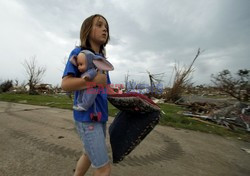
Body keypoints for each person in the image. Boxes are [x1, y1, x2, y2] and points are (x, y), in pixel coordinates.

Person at [61, 14, 115, 176]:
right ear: (87, 30)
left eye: (105, 26)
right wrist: (92, 81)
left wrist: (131, 98)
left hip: (101, 117)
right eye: (98, 25)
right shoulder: (79, 53)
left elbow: (108, 89)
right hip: (86, 118)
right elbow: (65, 84)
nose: (104, 28)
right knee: (103, 169)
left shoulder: (103, 61)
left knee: (88, 155)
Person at [69, 49, 114, 113]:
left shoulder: (92, 70)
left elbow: (106, 85)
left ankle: (84, 106)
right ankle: (79, 104)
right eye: (78, 65)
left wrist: (87, 77)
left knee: (88, 97)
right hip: (86, 116)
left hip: (92, 89)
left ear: (89, 63)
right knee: (80, 96)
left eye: (81, 64)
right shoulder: (77, 51)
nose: (78, 67)